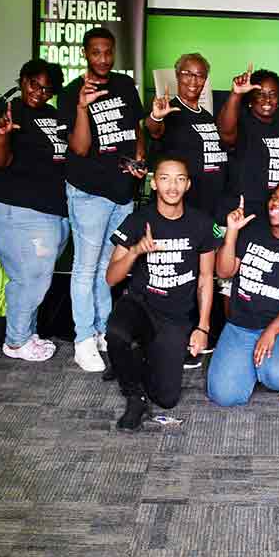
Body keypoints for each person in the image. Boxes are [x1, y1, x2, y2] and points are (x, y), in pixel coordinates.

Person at [57, 27, 147, 373]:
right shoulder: (69, 94)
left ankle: (102, 331)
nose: (104, 59)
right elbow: (78, 148)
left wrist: (139, 159)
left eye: (108, 52)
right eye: (96, 53)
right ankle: (83, 340)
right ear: (85, 54)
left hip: (122, 193)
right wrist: (82, 108)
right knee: (85, 268)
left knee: (107, 270)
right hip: (89, 194)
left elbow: (135, 130)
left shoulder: (124, 86)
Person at [105, 157, 217, 431]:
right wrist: (134, 252)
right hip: (140, 304)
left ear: (188, 184)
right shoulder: (137, 221)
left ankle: (132, 360)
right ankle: (134, 396)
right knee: (117, 333)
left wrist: (202, 327)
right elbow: (111, 278)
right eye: (165, 178)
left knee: (167, 398)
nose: (172, 186)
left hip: (175, 316)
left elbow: (205, 278)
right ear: (154, 183)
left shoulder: (201, 224)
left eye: (179, 178)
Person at [0, 59, 68, 362]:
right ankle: (16, 341)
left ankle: (24, 333)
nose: (38, 93)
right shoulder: (8, 113)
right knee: (32, 275)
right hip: (12, 206)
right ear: (21, 80)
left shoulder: (55, 116)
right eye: (33, 84)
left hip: (48, 210)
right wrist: (1, 134)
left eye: (46, 89)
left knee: (34, 275)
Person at [206, 182, 279, 408]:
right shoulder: (252, 230)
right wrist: (232, 232)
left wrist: (270, 332)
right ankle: (257, 364)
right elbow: (223, 271)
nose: (276, 202)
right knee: (223, 395)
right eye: (274, 197)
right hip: (243, 324)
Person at [145, 53, 227, 219]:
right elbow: (154, 130)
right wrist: (156, 117)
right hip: (183, 206)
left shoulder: (206, 115)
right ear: (177, 75)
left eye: (199, 75)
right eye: (187, 74)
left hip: (209, 204)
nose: (193, 80)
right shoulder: (169, 110)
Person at [217, 65, 279, 215]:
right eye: (260, 94)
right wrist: (236, 94)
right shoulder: (242, 123)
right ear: (250, 99)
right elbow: (225, 132)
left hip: (278, 209)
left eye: (272, 94)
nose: (267, 99)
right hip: (246, 208)